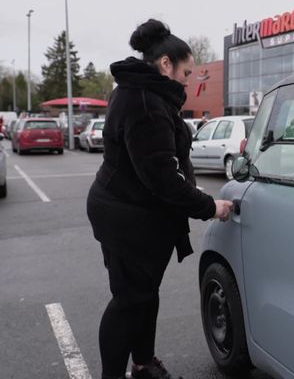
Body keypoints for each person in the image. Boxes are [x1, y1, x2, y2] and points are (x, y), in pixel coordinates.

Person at [86, 19, 233, 379]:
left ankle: (143, 364)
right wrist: (210, 207)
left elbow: (162, 168)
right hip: (126, 218)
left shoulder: (144, 92)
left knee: (144, 296)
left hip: (134, 214)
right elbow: (163, 179)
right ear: (165, 63)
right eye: (186, 71)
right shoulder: (145, 102)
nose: (189, 79)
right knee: (129, 302)